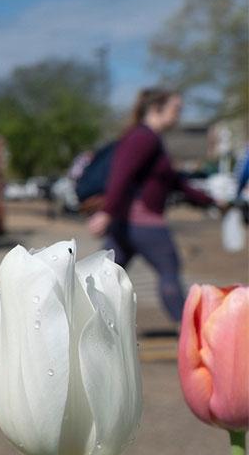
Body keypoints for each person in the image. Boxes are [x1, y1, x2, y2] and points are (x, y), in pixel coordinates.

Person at [88, 87, 227, 323]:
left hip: (127, 224)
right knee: (169, 272)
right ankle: (190, 332)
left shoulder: (149, 139)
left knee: (105, 276)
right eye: (176, 109)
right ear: (155, 108)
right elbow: (120, 175)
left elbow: (176, 182)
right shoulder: (143, 138)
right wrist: (107, 212)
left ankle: (82, 322)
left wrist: (210, 201)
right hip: (144, 223)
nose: (178, 115)